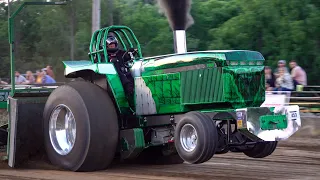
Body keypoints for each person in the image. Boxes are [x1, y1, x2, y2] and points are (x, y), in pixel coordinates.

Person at [102, 34, 138, 102]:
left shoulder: (120, 53)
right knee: (114, 63)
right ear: (106, 45)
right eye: (110, 44)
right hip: (113, 78)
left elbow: (126, 56)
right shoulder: (103, 55)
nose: (112, 45)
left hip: (125, 74)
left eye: (113, 44)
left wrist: (131, 52)